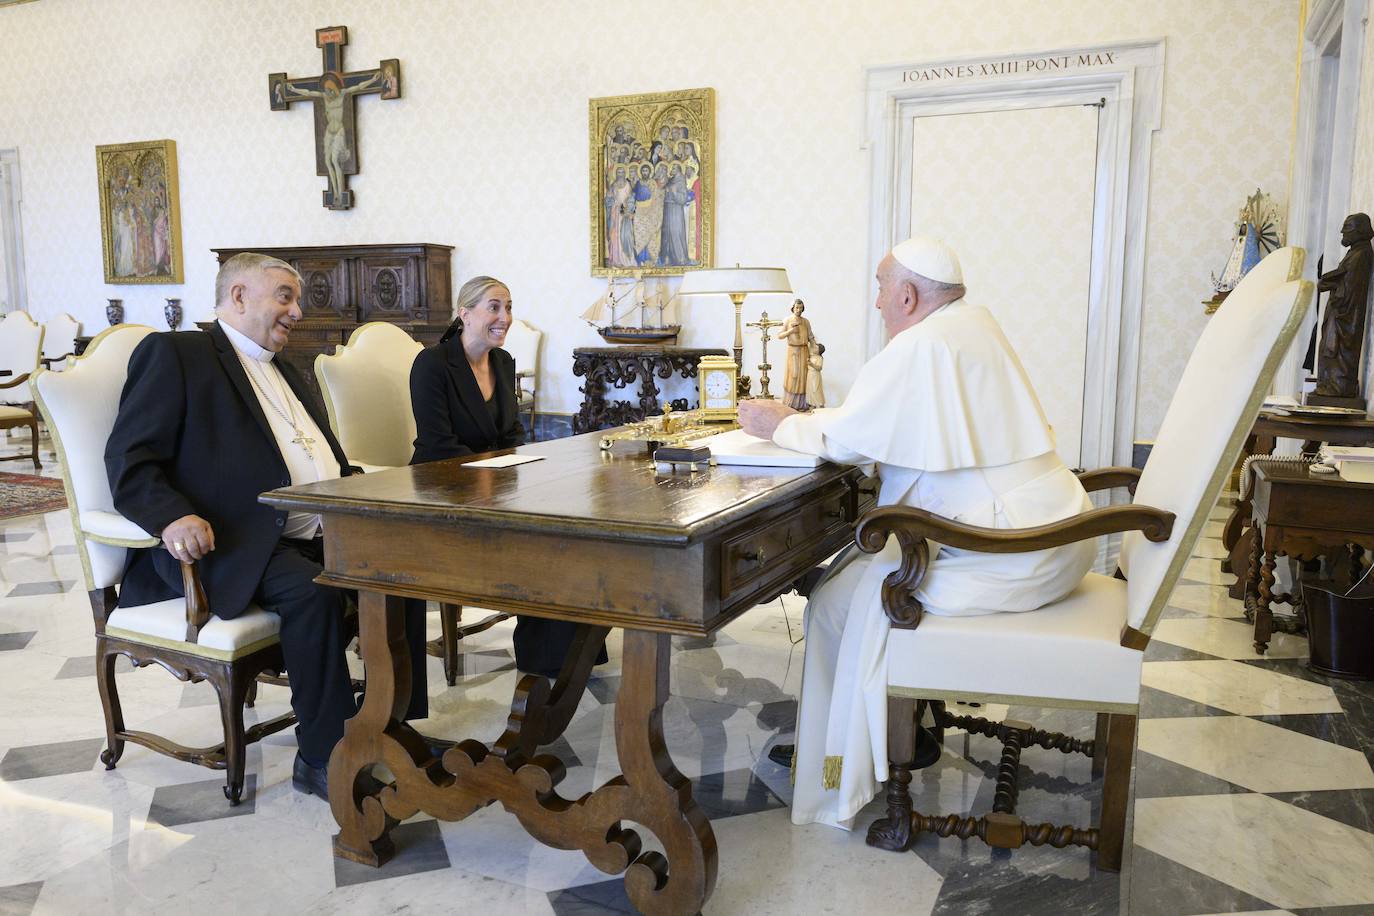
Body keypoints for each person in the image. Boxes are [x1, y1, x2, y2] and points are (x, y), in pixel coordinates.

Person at [737, 236, 1094, 830]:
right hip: (1055, 538)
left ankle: (836, 767)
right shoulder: (973, 326)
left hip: (1008, 557)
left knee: (833, 604)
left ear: (907, 294)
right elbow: (877, 424)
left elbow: (849, 442)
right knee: (855, 578)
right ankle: (900, 728)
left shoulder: (921, 346)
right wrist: (805, 422)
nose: (877, 303)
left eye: (881, 290)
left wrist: (781, 426)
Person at [105, 252, 430, 802]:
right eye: (285, 296)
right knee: (313, 596)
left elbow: (322, 457)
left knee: (410, 569)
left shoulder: (283, 368)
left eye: (295, 299)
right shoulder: (178, 353)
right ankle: (325, 755)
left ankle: (390, 726)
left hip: (314, 529)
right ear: (238, 296)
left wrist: (369, 495)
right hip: (229, 539)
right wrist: (171, 516)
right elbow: (129, 460)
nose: (297, 311)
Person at [410, 276, 605, 677]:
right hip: (444, 486)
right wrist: (494, 479)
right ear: (465, 314)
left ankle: (573, 653)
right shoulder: (432, 364)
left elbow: (513, 435)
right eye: (494, 307)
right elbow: (437, 444)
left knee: (575, 529)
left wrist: (523, 473)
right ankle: (544, 659)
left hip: (495, 482)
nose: (505, 317)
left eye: (509, 307)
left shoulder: (503, 362)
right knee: (539, 543)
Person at [776, 299, 816, 410]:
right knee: (793, 376)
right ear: (793, 308)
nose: (798, 310)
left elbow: (810, 336)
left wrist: (815, 348)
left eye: (801, 308)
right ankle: (791, 403)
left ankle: (802, 404)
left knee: (803, 376)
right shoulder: (788, 320)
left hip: (804, 351)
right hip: (793, 351)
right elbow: (780, 335)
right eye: (796, 307)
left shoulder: (806, 321)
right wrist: (790, 331)